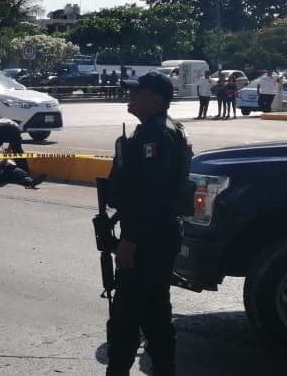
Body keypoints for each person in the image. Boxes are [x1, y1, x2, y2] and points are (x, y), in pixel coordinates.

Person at [103, 71, 191, 376]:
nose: (131, 96)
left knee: (125, 316)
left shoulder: (153, 135)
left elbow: (153, 193)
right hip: (159, 232)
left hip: (148, 236)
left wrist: (131, 239)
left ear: (155, 100)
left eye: (136, 93)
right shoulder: (167, 129)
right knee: (155, 311)